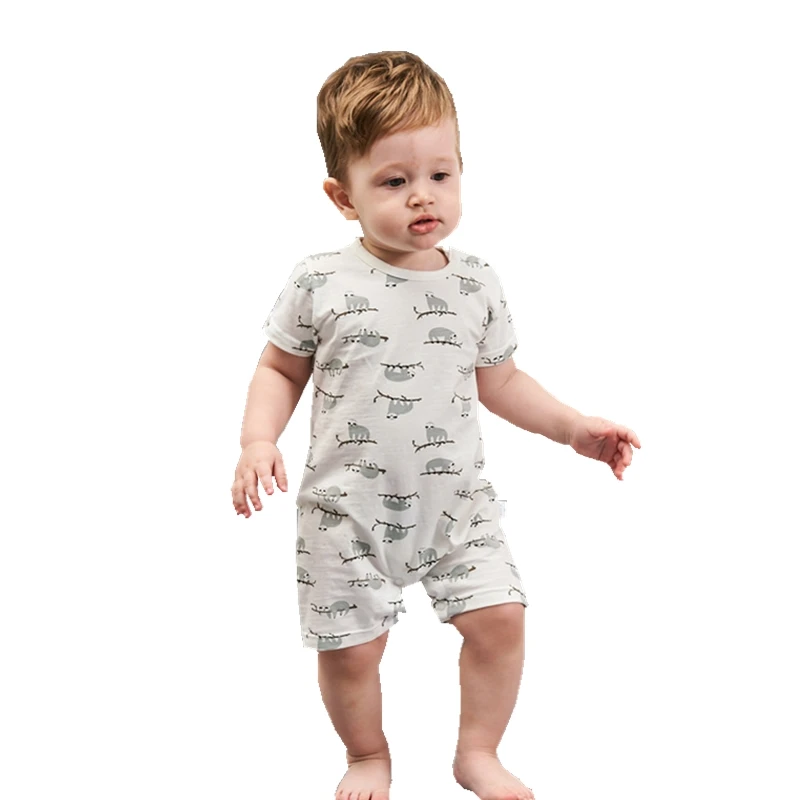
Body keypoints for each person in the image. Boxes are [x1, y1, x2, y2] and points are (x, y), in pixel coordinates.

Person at [231, 50, 641, 800]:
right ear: (343, 196)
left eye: (441, 175)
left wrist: (573, 428)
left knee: (502, 619)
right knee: (351, 651)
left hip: (457, 506)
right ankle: (367, 754)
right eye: (394, 182)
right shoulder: (320, 280)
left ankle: (477, 752)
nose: (423, 195)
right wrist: (258, 440)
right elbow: (280, 369)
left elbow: (502, 380)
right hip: (346, 512)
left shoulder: (475, 281)